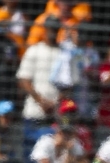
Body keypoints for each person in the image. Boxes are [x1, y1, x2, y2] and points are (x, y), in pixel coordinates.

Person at [16, 15, 63, 154]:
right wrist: (41, 100)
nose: (52, 31)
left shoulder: (64, 53)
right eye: (49, 28)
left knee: (51, 156)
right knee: (29, 157)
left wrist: (56, 103)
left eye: (55, 28)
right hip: (33, 113)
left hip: (56, 115)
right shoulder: (34, 50)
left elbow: (70, 83)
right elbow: (24, 80)